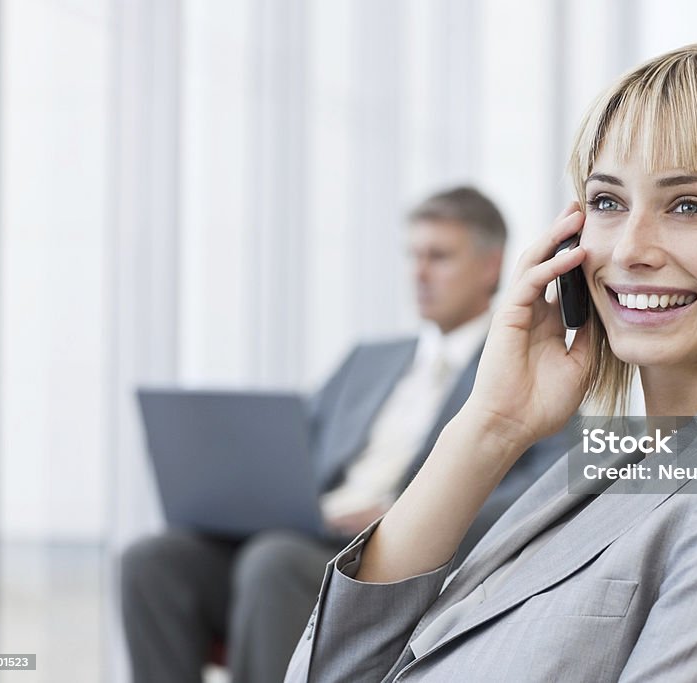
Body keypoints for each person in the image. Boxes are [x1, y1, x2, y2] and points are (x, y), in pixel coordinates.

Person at [283, 44, 697, 682]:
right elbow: (335, 672)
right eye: (607, 202)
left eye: (689, 206)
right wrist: (490, 426)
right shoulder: (615, 460)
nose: (629, 249)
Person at [120, 186, 573, 683]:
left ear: (491, 267)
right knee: (152, 560)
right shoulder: (369, 359)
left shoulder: (526, 368)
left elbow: (537, 489)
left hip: (378, 554)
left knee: (272, 561)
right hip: (305, 532)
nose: (418, 273)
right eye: (413, 256)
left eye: (438, 257)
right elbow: (293, 448)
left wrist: (404, 514)